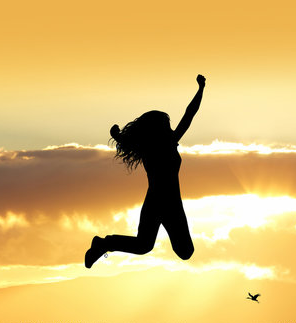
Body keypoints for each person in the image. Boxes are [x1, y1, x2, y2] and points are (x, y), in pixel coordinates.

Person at [85, 74, 206, 268]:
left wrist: (200, 90)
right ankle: (103, 243)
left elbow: (189, 114)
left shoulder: (155, 145)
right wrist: (201, 89)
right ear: (159, 130)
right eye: (166, 125)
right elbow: (189, 115)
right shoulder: (161, 145)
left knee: (177, 250)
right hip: (163, 202)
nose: (170, 127)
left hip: (166, 202)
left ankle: (103, 243)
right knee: (152, 246)